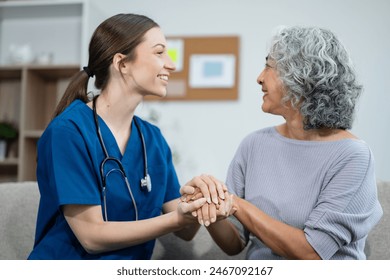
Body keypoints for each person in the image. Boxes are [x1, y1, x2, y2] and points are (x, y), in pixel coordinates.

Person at [28, 13, 227, 260]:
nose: (172, 64)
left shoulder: (152, 139)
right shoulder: (68, 132)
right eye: (159, 52)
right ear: (122, 63)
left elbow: (185, 232)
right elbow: (91, 236)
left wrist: (198, 201)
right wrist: (175, 219)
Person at [182, 26, 383, 260]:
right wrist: (210, 205)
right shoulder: (253, 145)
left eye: (269, 65)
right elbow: (235, 242)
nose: (259, 78)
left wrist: (236, 204)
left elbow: (312, 253)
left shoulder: (352, 156)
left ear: (301, 76)